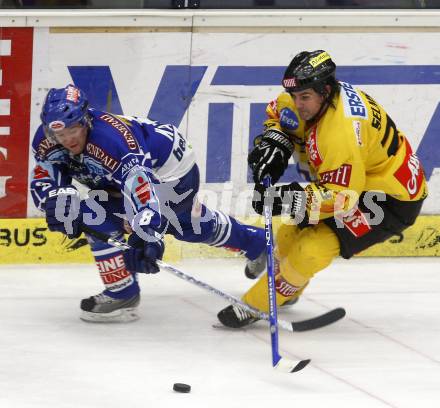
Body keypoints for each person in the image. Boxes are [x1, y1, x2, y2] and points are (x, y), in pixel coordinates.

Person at [217, 50, 428, 328]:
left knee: (311, 250)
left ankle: (257, 304)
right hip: (359, 183)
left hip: (388, 200)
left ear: (325, 90)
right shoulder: (315, 100)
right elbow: (277, 111)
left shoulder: (340, 132)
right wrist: (276, 140)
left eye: (304, 97)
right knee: (290, 234)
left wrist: (289, 199)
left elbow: (343, 198)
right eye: (295, 96)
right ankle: (288, 286)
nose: (297, 104)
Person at [31, 84, 266, 323]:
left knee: (171, 224)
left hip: (171, 174)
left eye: (73, 129)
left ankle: (123, 295)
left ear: (86, 120)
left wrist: (147, 231)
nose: (67, 140)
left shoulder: (111, 142)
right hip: (124, 179)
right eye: (59, 134)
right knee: (182, 222)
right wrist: (54, 201)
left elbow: (140, 187)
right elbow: (45, 176)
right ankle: (257, 242)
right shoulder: (46, 141)